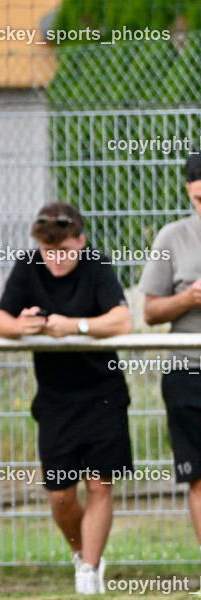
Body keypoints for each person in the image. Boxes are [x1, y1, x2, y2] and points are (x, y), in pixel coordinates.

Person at [0, 201, 133, 595]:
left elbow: (123, 320)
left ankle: (89, 569)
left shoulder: (97, 264)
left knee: (100, 486)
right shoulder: (27, 265)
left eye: (64, 250)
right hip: (54, 401)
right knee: (60, 497)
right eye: (47, 250)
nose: (54, 259)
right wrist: (23, 326)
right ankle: (83, 553)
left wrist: (76, 326)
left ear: (81, 241)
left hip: (104, 395)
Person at [140, 152, 201, 555]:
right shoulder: (172, 236)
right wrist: (189, 297)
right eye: (198, 200)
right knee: (198, 477)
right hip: (188, 371)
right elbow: (149, 311)